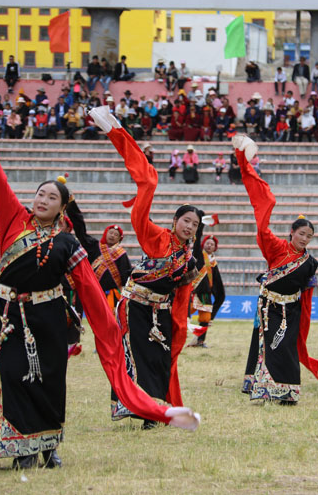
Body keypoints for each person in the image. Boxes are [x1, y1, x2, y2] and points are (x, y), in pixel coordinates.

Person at [0, 109, 200, 466]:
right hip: (10, 318)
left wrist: (108, 327)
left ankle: (48, 446)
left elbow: (89, 289)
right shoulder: (12, 219)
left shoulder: (68, 243)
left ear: (63, 207)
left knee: (49, 381)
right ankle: (20, 447)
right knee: (14, 376)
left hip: (49, 317)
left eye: (52, 198)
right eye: (40, 194)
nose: (43, 200)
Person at [84, 106, 203, 425]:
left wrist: (181, 323)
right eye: (186, 220)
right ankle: (144, 410)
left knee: (161, 359)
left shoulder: (189, 255)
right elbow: (145, 189)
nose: (190, 226)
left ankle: (156, 408)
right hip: (136, 306)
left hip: (163, 311)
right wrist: (116, 133)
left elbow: (183, 291)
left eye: (195, 223)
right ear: (176, 220)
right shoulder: (156, 237)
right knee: (138, 357)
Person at [234, 134, 318, 403]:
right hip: (269, 306)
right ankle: (261, 386)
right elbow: (262, 227)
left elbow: (307, 291)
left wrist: (304, 320)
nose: (304, 239)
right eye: (301, 234)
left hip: (293, 308)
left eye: (309, 236)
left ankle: (287, 390)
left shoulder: (311, 262)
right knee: (267, 345)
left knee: (287, 347)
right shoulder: (277, 247)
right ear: (292, 232)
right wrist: (265, 203)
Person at [66, 203, 132, 314]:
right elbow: (80, 231)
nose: (112, 235)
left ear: (119, 239)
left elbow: (125, 275)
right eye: (110, 233)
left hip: (111, 295)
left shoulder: (121, 254)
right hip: (91, 291)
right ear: (105, 233)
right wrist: (71, 205)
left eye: (116, 235)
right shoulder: (93, 245)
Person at [187, 228, 225, 348]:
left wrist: (219, 294)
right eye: (207, 243)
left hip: (205, 294)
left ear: (215, 247)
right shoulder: (199, 255)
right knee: (183, 314)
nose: (209, 245)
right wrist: (199, 230)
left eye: (212, 244)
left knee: (205, 318)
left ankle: (199, 341)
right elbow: (196, 246)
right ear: (203, 245)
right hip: (193, 291)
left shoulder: (213, 262)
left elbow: (217, 281)